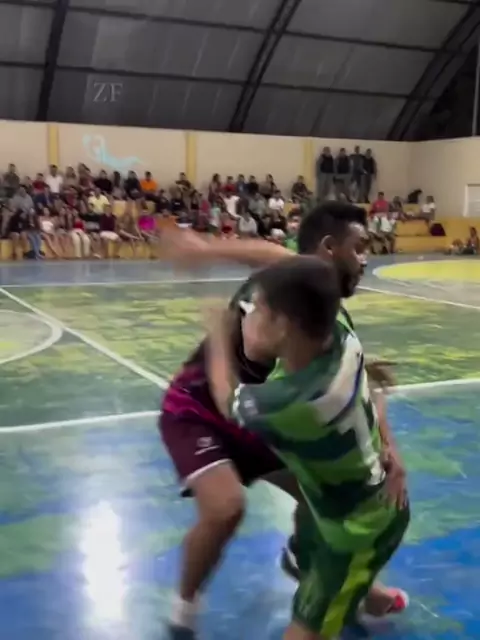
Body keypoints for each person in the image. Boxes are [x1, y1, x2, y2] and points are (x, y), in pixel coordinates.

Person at [159, 202, 407, 640]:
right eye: (358, 248)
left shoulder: (323, 316)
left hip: (256, 412)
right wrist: (205, 249)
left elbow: (360, 384)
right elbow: (271, 254)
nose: (365, 259)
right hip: (199, 410)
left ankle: (315, 567)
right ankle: (184, 606)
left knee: (317, 491)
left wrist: (389, 445)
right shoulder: (290, 291)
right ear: (327, 250)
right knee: (226, 507)